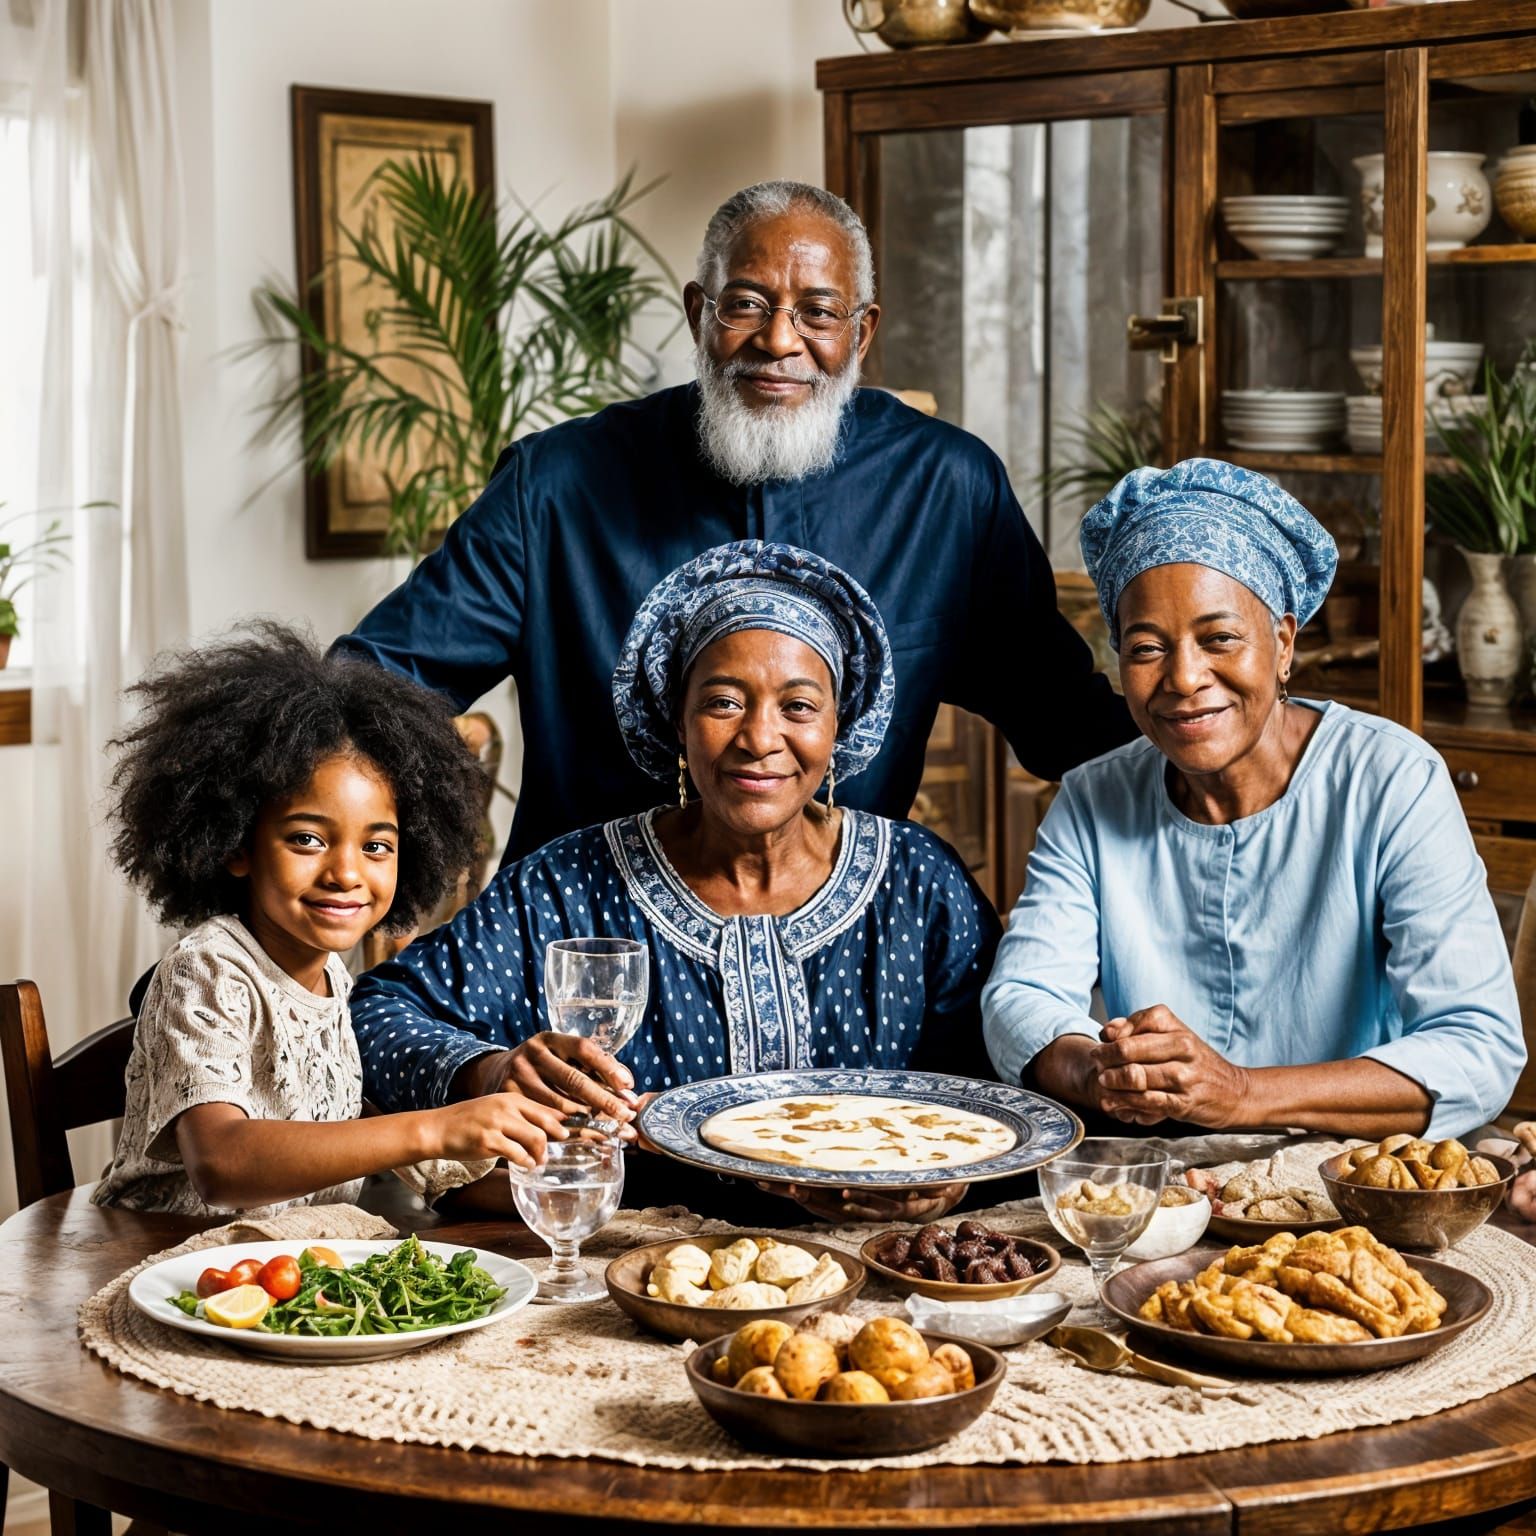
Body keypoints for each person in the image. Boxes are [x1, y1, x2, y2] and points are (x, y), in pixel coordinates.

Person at [332, 179, 1132, 865]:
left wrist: (1241, 774)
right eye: (747, 304)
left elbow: (1067, 722)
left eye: (819, 312)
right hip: (586, 944)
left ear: (863, 331)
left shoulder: (947, 488)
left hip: (847, 956)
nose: (780, 340)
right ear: (697, 313)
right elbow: (372, 687)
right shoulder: (558, 484)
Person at [350, 543, 1002, 1221]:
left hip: (885, 1265)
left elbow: (1000, 1085)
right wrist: (488, 1070)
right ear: (678, 721)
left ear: (840, 724)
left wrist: (951, 1174)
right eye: (723, 702)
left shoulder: (918, 882)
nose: (759, 737)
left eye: (799, 707)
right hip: (634, 1261)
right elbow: (371, 1016)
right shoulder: (568, 885)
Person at [982, 459, 1524, 1140]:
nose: (1183, 678)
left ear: (1285, 643)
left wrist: (1238, 1094)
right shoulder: (1093, 799)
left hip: (1348, 1193)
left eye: (1221, 639)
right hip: (1163, 1192)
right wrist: (1097, 1072)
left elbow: (1477, 1050)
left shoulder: (1391, 780)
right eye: (1147, 647)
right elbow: (1021, 1000)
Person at [93, 623, 568, 1216]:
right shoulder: (208, 969)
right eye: (308, 839)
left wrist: (537, 1161)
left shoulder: (333, 980)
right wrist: (435, 1128)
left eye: (376, 847)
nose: (346, 873)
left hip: (284, 1274)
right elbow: (222, 1162)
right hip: (157, 1268)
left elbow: (340, 1130)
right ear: (237, 844)